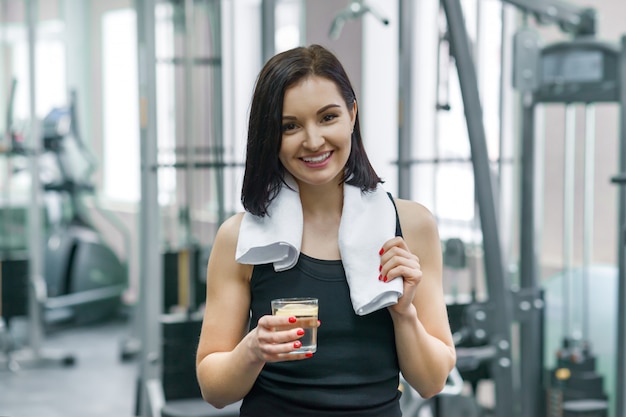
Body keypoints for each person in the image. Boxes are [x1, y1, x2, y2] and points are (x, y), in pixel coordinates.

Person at [196, 44, 456, 416]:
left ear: (352, 113)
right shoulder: (240, 239)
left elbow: (432, 382)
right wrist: (252, 350)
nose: (313, 140)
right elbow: (213, 389)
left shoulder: (410, 226)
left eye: (328, 117)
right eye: (290, 126)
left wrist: (404, 313)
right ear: (271, 134)